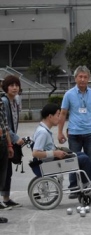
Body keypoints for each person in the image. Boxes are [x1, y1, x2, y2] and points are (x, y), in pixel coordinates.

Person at [32, 103, 91, 195]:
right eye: (58, 115)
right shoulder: (43, 132)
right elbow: (35, 153)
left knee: (81, 155)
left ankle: (87, 184)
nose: (59, 118)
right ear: (50, 116)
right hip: (51, 162)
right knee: (84, 159)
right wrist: (55, 153)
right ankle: (89, 184)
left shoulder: (43, 130)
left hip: (52, 159)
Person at [57, 65, 91, 198]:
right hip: (74, 134)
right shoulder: (69, 94)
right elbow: (63, 113)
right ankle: (74, 188)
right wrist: (60, 132)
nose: (83, 79)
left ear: (88, 79)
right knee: (73, 161)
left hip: (90, 133)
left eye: (85, 77)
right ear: (75, 78)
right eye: (80, 77)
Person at [0, 75, 24, 208]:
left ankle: (6, 198)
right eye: (11, 85)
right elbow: (5, 124)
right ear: (6, 87)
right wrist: (15, 138)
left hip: (8, 139)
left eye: (17, 85)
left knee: (7, 170)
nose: (15, 88)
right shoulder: (4, 101)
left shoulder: (15, 101)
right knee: (3, 170)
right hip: (3, 139)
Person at [0, 94, 14, 222]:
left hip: (3, 142)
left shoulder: (1, 102)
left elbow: (5, 126)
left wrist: (9, 144)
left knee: (1, 178)